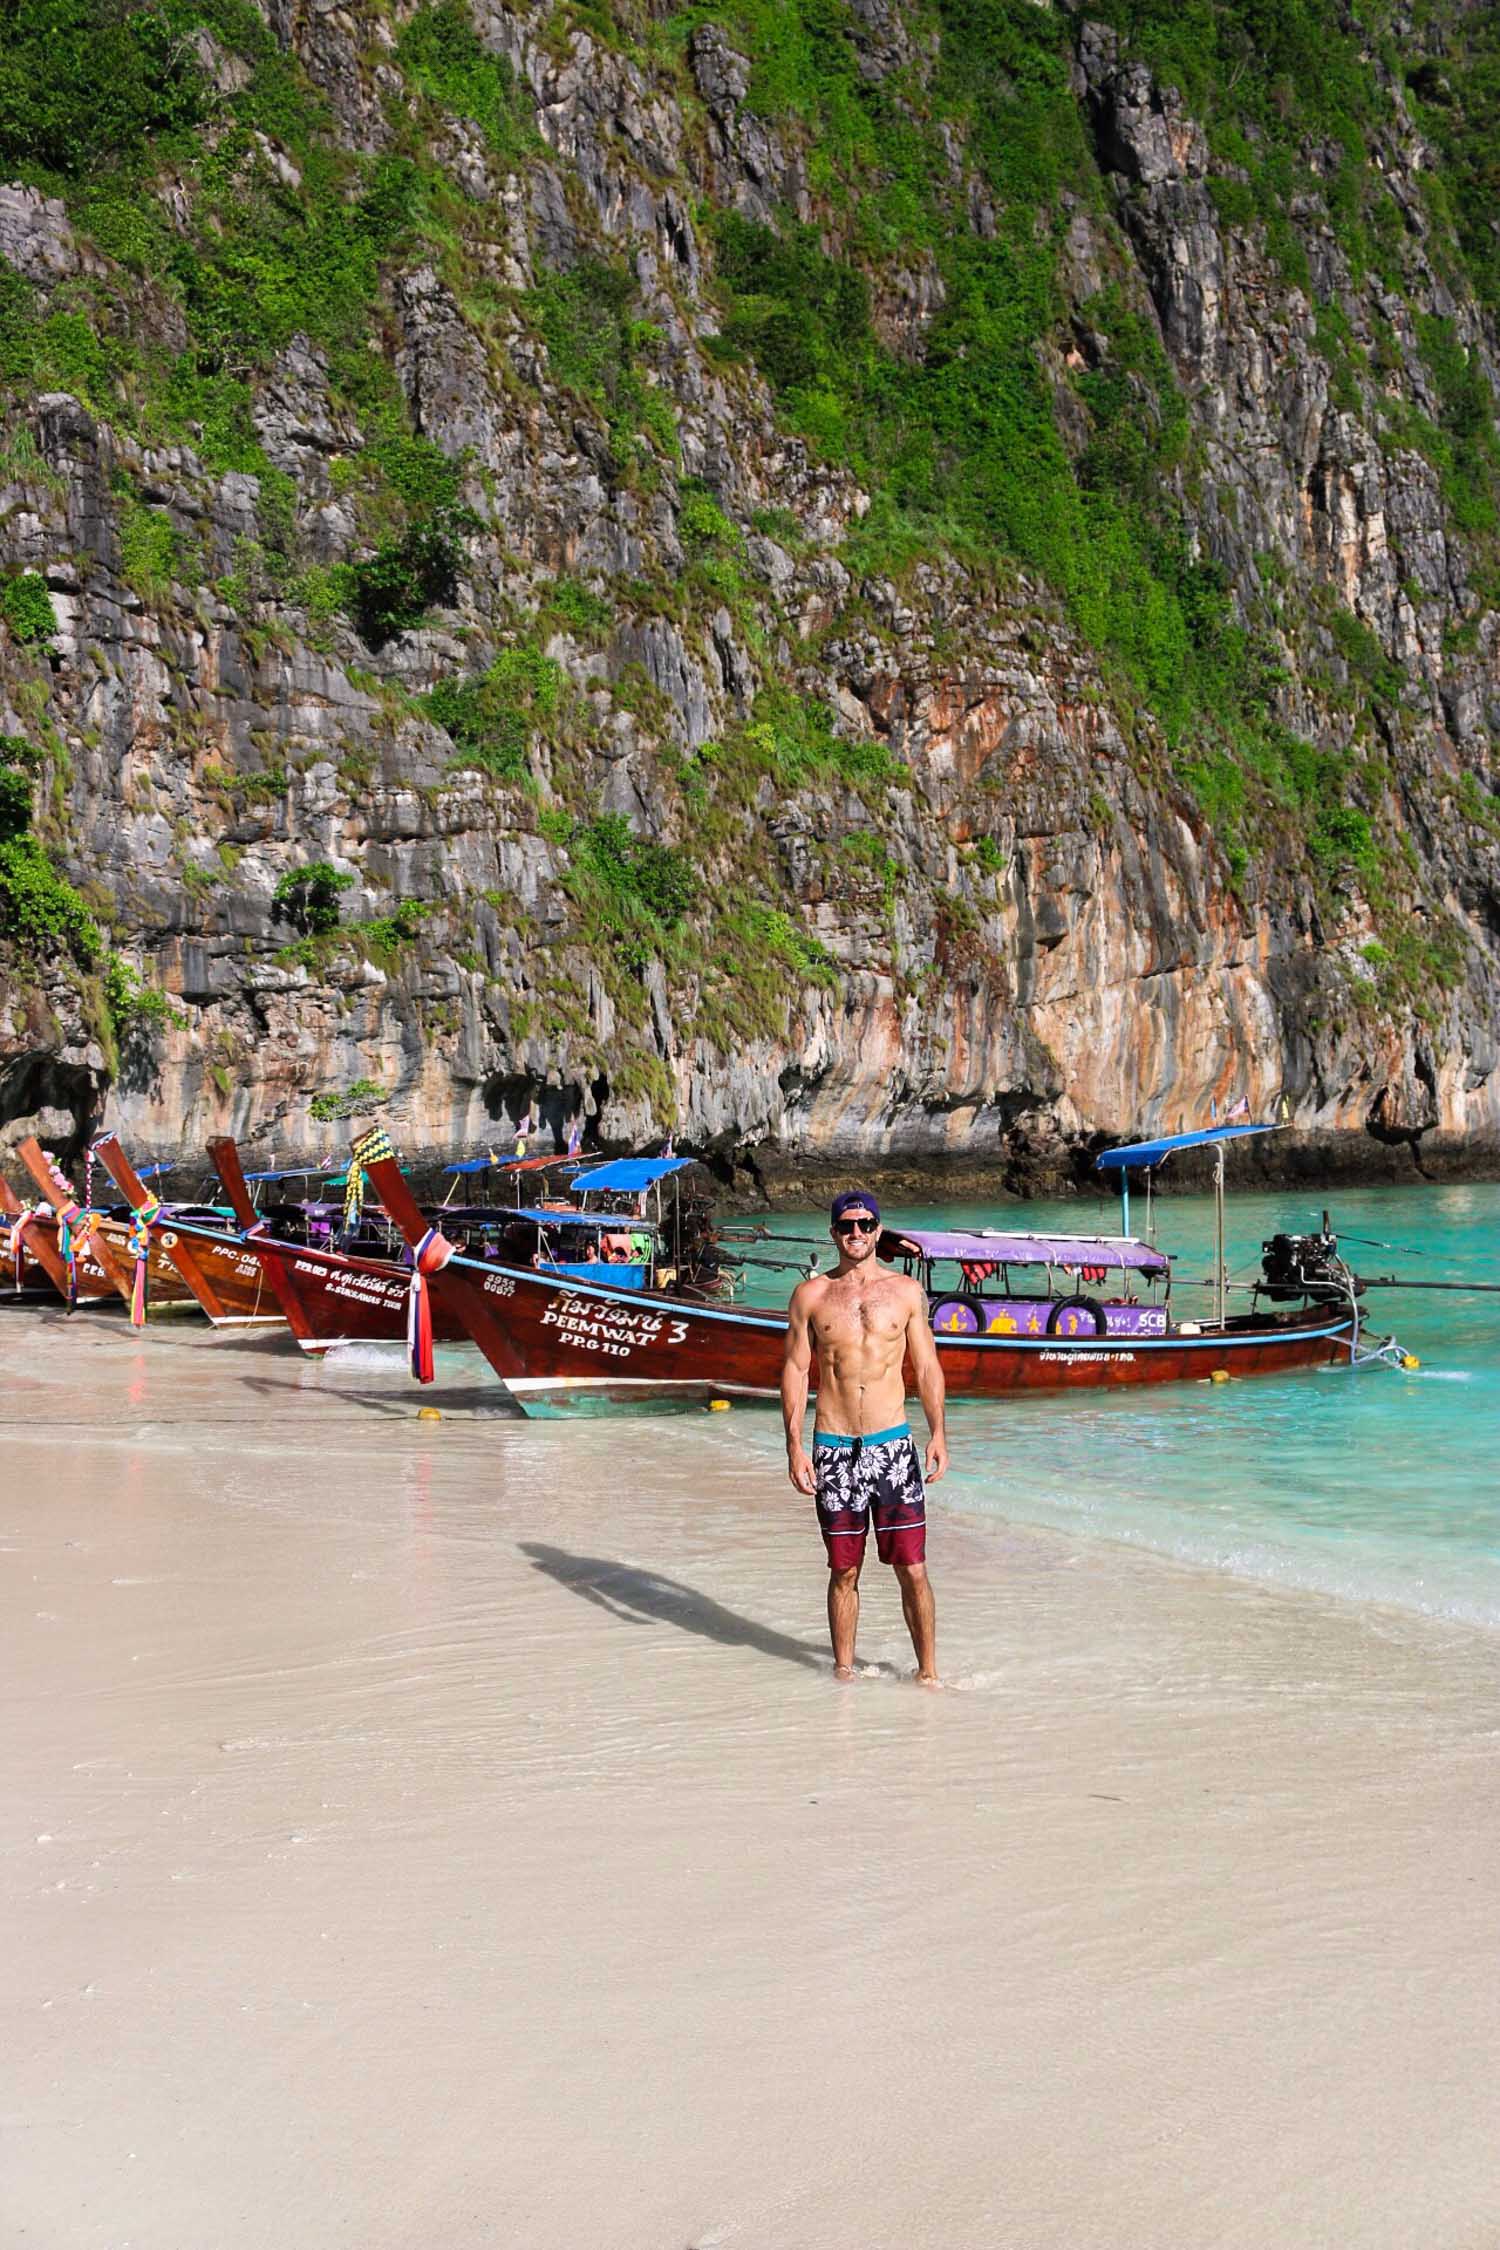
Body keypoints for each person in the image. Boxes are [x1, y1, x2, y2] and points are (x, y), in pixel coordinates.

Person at [781, 1190, 948, 1684]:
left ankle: (929, 1674)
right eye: (846, 1225)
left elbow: (927, 1365)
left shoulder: (905, 1293)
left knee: (912, 1568)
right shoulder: (810, 1295)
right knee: (843, 1570)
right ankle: (844, 1674)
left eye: (865, 1224)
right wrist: (793, 1445)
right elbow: (794, 1369)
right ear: (833, 1233)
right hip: (834, 1449)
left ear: (878, 1229)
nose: (856, 1233)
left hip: (893, 1448)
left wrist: (938, 1432)